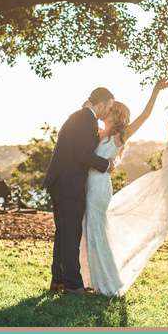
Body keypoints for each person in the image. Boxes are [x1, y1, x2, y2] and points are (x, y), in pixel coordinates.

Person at [79, 78, 168, 296]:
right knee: (88, 230)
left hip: (99, 187)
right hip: (88, 185)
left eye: (109, 109)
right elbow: (85, 111)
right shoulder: (98, 133)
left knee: (96, 230)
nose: (105, 111)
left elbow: (144, 116)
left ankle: (108, 284)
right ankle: (89, 279)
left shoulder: (120, 136)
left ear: (114, 114)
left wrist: (156, 91)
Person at [42, 87, 116, 295]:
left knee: (64, 233)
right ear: (100, 103)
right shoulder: (86, 120)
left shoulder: (79, 117)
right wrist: (106, 165)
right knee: (71, 233)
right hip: (69, 184)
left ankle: (58, 280)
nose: (107, 112)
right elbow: (82, 153)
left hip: (62, 183)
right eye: (108, 107)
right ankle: (73, 285)